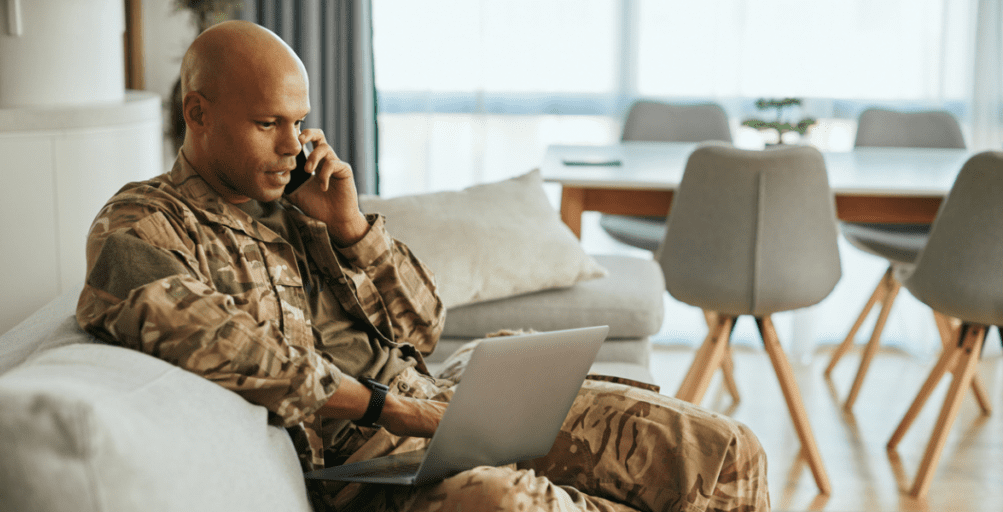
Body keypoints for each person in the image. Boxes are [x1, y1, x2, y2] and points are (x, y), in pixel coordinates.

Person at [77, 20, 770, 512]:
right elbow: (221, 344)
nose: (294, 144)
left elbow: (425, 326)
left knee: (724, 450)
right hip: (361, 468)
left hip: (443, 403)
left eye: (301, 120)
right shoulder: (142, 226)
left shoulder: (301, 205)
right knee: (509, 503)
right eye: (268, 123)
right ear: (198, 113)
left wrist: (349, 229)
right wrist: (389, 408)